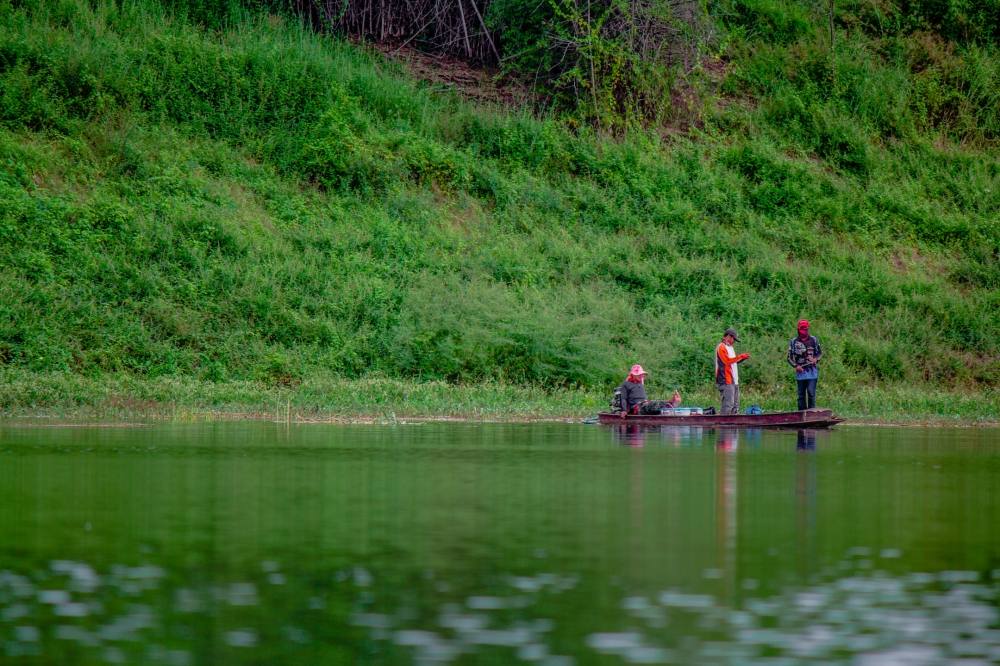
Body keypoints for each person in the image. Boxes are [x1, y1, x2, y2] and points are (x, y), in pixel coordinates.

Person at [617, 364, 681, 418]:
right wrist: (624, 410)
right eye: (639, 374)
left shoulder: (640, 383)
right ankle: (670, 403)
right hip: (636, 408)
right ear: (633, 375)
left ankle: (670, 403)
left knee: (654, 403)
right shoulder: (626, 384)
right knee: (652, 405)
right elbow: (623, 399)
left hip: (645, 405)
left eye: (641, 374)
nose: (641, 376)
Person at [788, 319, 822, 410]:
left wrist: (815, 359)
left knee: (811, 393)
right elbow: (789, 357)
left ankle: (811, 414)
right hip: (801, 373)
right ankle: (801, 414)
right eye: (802, 329)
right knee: (801, 396)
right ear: (798, 329)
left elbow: (820, 353)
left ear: (808, 329)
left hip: (812, 372)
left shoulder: (814, 340)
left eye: (805, 329)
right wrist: (796, 366)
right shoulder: (793, 341)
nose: (804, 332)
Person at [714, 328, 749, 415]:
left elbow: (733, 362)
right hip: (725, 380)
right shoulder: (721, 347)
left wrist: (742, 359)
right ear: (728, 337)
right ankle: (723, 423)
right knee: (728, 404)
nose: (734, 341)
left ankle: (733, 424)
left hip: (734, 380)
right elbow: (727, 361)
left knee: (735, 405)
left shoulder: (730, 347)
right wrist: (740, 356)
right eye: (734, 339)